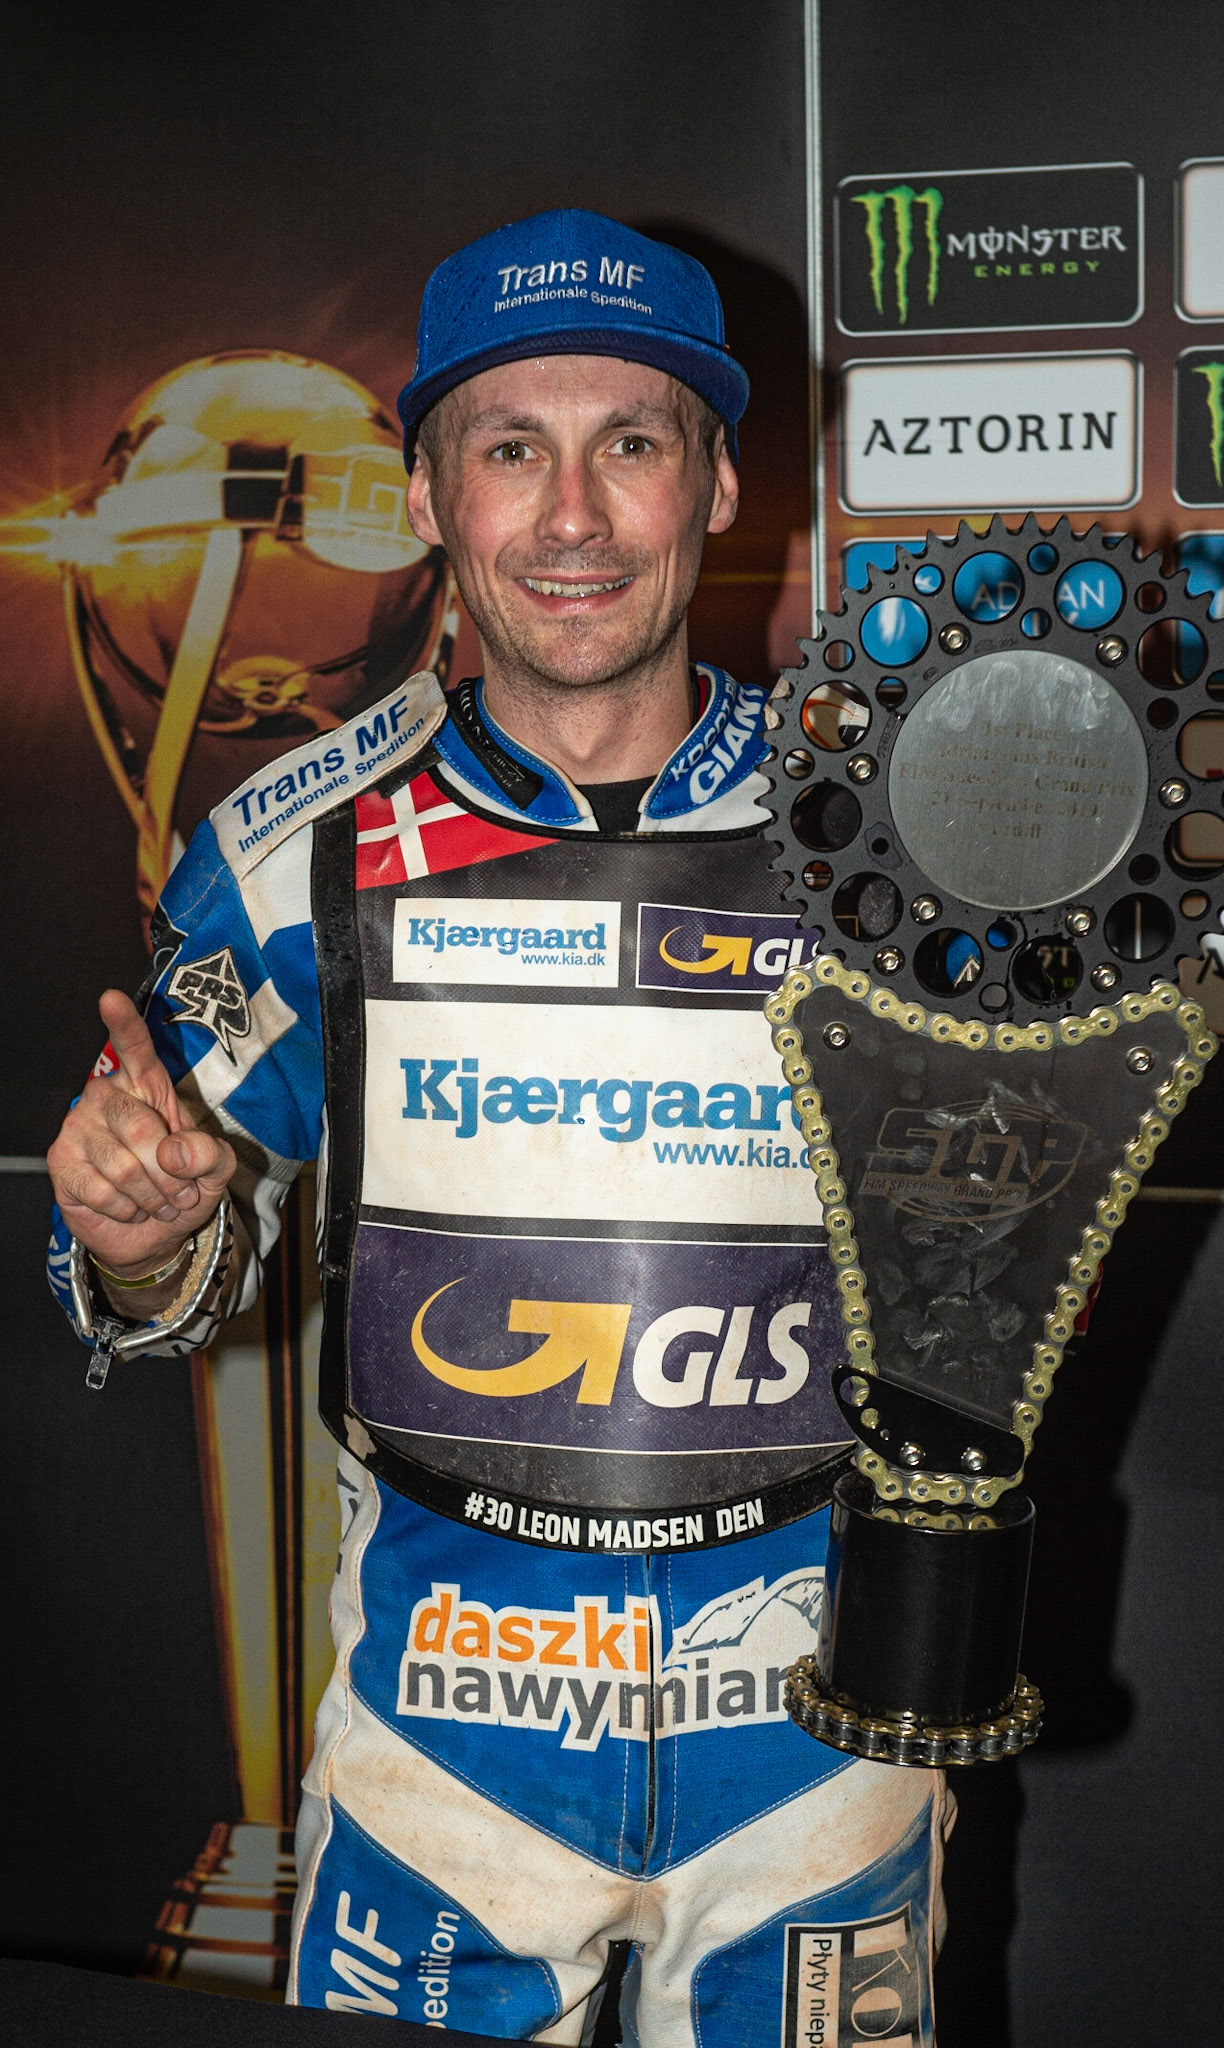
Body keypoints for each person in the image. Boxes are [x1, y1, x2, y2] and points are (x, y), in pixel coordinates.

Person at [47, 210, 950, 2046]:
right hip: (448, 1746)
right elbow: (166, 1252)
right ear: (434, 494)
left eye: (630, 443)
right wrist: (139, 1234)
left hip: (810, 1731)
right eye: (511, 450)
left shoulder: (887, 829)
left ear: (713, 485)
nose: (571, 517)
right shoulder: (296, 850)